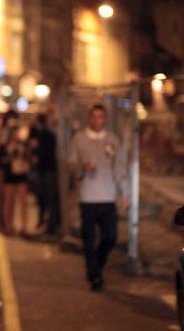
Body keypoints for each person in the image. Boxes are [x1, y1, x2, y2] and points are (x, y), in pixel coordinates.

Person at [69, 103, 128, 291]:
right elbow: (70, 163)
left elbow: (119, 168)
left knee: (110, 237)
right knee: (88, 238)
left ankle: (97, 264)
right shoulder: (79, 139)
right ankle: (94, 276)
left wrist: (124, 193)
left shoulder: (113, 139)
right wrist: (82, 167)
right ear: (89, 118)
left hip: (108, 196)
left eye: (101, 117)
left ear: (105, 118)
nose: (97, 121)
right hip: (87, 197)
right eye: (94, 117)